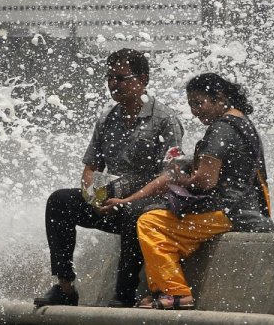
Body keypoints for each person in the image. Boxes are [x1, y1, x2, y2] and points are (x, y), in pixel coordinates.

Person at [102, 73, 274, 309]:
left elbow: (205, 181)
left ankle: (175, 293)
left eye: (199, 102)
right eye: (191, 104)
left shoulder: (221, 130)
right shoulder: (242, 123)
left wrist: (182, 180)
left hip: (229, 212)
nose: (195, 111)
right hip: (246, 210)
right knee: (163, 221)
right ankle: (163, 287)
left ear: (219, 98)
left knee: (149, 222)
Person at [33, 49, 184, 308]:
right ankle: (65, 287)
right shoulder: (108, 117)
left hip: (147, 204)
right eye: (110, 77)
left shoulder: (164, 119)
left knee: (131, 210)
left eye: (121, 78)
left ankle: (124, 294)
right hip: (110, 201)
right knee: (59, 201)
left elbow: (170, 175)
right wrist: (93, 195)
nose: (114, 84)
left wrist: (128, 199)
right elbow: (91, 167)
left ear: (143, 80)